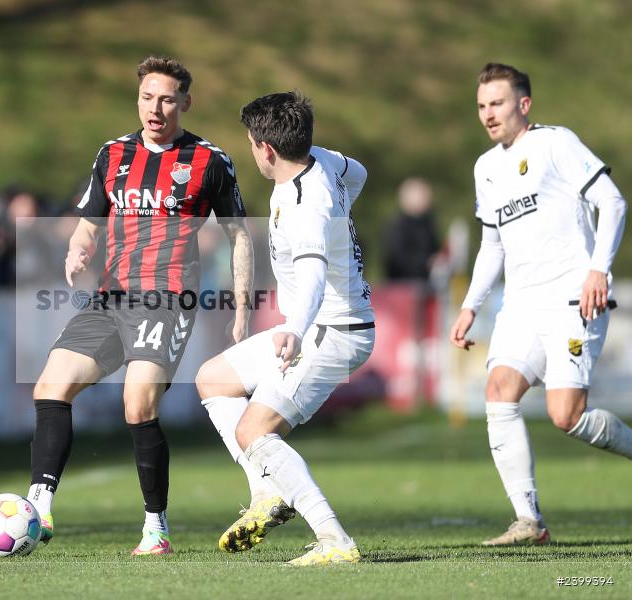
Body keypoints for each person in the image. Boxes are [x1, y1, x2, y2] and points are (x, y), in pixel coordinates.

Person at [27, 56, 252, 555]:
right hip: (111, 297)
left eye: (167, 98)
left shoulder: (210, 161)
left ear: (185, 103)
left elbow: (239, 236)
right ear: (138, 100)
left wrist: (240, 304)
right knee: (50, 385)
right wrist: (78, 247)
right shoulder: (112, 154)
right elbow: (90, 219)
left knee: (137, 404)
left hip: (167, 298)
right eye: (148, 97)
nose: (156, 107)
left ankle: (156, 528)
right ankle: (37, 510)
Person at [449, 63, 630, 546]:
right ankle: (528, 521)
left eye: (498, 103)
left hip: (573, 296)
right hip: (521, 305)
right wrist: (470, 305)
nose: (488, 114)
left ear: (523, 105)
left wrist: (598, 268)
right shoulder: (485, 168)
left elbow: (612, 203)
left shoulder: (555, 144)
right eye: (482, 105)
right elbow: (492, 246)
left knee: (566, 415)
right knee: (498, 390)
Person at [195, 91, 374, 566]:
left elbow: (315, 273)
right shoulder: (324, 162)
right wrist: (343, 217)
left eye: (251, 144)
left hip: (333, 330)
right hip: (319, 324)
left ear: (266, 149)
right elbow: (359, 174)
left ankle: (335, 541)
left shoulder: (306, 206)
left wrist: (295, 327)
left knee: (255, 429)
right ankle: (267, 495)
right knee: (213, 378)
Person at [383, 177, 442, 282]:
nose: (427, 200)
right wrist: (426, 263)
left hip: (426, 284)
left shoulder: (428, 223)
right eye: (422, 196)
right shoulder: (398, 226)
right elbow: (398, 258)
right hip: (402, 286)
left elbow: (435, 250)